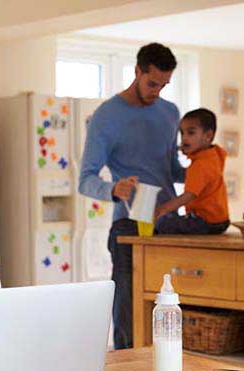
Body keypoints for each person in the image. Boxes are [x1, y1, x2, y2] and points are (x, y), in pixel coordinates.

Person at [78, 43, 184, 349]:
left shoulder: (169, 112)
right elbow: (85, 180)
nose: (157, 91)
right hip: (129, 225)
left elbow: (172, 169)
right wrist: (113, 188)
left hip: (168, 223)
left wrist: (205, 170)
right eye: (152, 83)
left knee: (171, 310)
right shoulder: (106, 116)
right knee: (129, 315)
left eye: (163, 85)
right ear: (137, 72)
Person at [154, 108, 230, 235]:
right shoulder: (214, 155)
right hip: (221, 221)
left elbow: (189, 195)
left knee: (162, 223)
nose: (184, 138)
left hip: (204, 221)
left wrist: (163, 209)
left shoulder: (200, 165)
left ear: (208, 136)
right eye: (182, 133)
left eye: (191, 133)